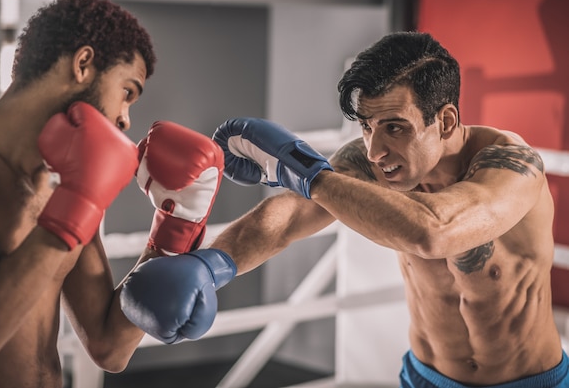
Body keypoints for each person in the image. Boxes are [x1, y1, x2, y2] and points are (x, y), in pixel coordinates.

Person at [121, 31, 569, 387]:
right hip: (425, 376)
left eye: (394, 128)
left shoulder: (512, 167)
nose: (375, 151)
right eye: (367, 127)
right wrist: (212, 265)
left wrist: (308, 173)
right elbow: (294, 214)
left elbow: (434, 231)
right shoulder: (374, 160)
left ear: (446, 120)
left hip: (527, 382)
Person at [0, 0, 225, 388]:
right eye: (127, 92)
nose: (126, 120)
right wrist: (78, 204)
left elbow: (109, 346)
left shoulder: (67, 175)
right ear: (83, 64)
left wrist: (172, 231)